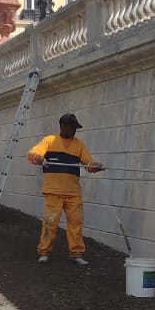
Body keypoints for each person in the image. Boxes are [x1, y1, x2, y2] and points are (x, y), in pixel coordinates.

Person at [27, 113, 103, 265]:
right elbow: (33, 153)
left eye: (75, 128)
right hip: (53, 191)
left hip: (73, 193)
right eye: (72, 128)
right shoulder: (49, 140)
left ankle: (76, 254)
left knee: (76, 223)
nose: (74, 131)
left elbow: (88, 163)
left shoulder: (79, 145)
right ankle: (44, 252)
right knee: (50, 222)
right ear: (63, 126)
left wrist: (94, 166)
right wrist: (38, 158)